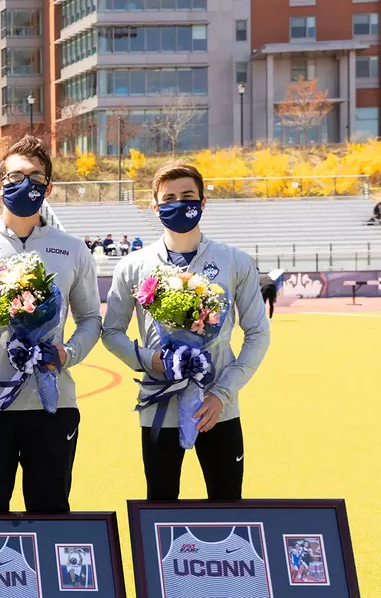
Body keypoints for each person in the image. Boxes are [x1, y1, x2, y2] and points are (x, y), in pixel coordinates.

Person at [0, 135, 102, 513]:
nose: (25, 184)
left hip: (53, 406)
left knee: (51, 514)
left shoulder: (72, 248)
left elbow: (91, 318)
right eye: (15, 176)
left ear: (49, 187)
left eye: (36, 177)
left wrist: (69, 352)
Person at [102, 162, 271, 502]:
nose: (179, 203)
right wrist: (150, 360)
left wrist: (221, 393)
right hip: (158, 407)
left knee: (228, 505)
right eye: (169, 198)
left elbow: (258, 334)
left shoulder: (234, 261)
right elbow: (112, 331)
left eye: (188, 196)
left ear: (203, 201)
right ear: (155, 206)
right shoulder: (133, 265)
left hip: (218, 409)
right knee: (160, 508)